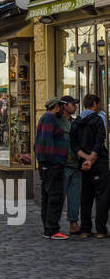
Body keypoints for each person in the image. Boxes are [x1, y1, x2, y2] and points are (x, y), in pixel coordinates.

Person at [72, 94, 108, 238]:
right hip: (99, 162)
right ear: (94, 104)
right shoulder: (97, 119)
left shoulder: (76, 122)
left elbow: (73, 144)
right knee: (102, 196)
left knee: (86, 196)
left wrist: (85, 158)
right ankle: (100, 230)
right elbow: (100, 140)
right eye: (98, 103)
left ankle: (85, 228)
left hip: (83, 162)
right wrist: (92, 158)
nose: (99, 106)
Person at [34, 99, 70, 239]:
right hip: (51, 165)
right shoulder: (49, 118)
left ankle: (49, 229)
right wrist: (55, 161)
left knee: (48, 197)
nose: (63, 109)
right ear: (56, 107)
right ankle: (52, 230)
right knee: (55, 196)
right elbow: (46, 141)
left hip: (48, 164)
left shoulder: (47, 118)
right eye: (62, 106)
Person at [58, 96, 82, 235]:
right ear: (65, 106)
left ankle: (74, 223)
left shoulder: (75, 122)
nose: (76, 106)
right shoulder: (57, 121)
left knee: (74, 196)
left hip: (76, 164)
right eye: (73, 104)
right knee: (59, 195)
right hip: (63, 164)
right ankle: (53, 224)